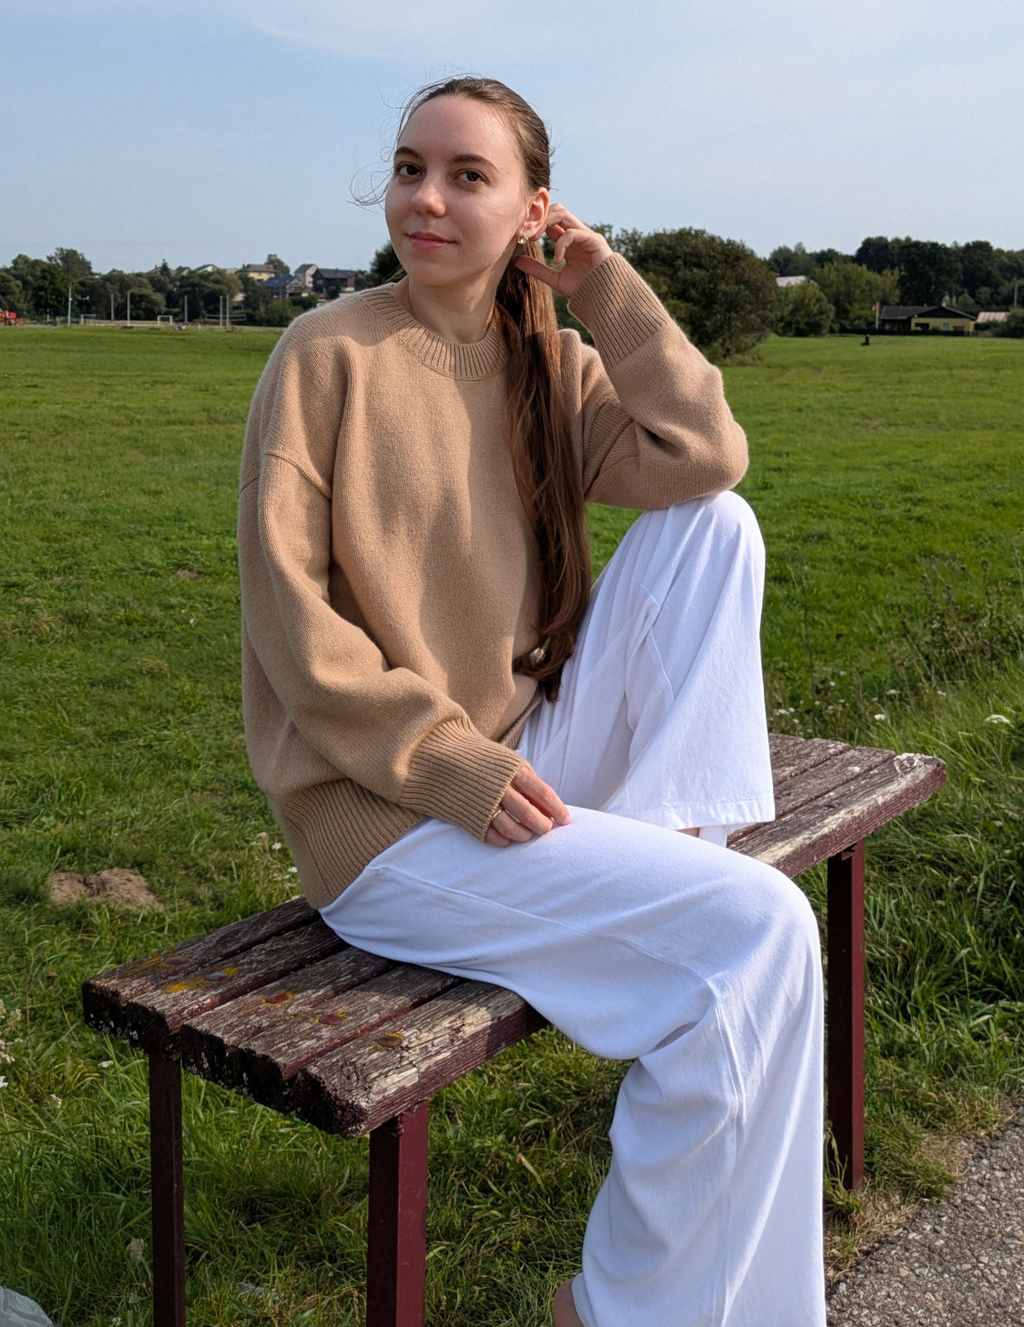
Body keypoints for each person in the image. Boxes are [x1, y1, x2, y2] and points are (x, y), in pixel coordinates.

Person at [238, 76, 826, 1327]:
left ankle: (672, 845)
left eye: (466, 176)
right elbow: (293, 630)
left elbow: (704, 453)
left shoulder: (544, 362)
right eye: (409, 168)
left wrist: (600, 283)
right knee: (760, 936)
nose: (426, 199)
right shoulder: (326, 351)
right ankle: (616, 1310)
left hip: (526, 756)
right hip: (391, 819)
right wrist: (448, 764)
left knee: (715, 525)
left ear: (531, 210)